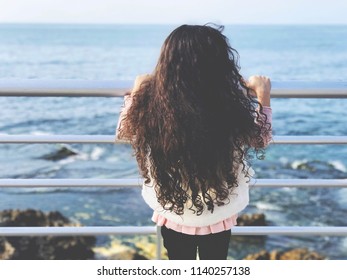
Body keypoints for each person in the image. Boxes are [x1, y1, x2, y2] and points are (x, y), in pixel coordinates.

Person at [115, 24, 272, 260]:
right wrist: (263, 96)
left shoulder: (155, 103)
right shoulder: (227, 104)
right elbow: (260, 139)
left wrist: (136, 93)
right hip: (218, 210)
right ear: (219, 64)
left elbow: (124, 132)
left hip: (173, 208)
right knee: (214, 263)